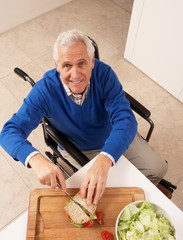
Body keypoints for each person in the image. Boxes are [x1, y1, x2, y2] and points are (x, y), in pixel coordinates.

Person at [0, 29, 168, 205]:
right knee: (104, 195)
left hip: (114, 133)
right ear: (57, 66)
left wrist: (105, 159)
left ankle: (144, 189)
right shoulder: (44, 91)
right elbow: (9, 132)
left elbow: (125, 119)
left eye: (82, 63)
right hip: (81, 146)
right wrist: (34, 158)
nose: (75, 74)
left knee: (158, 168)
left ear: (92, 61)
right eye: (66, 65)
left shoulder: (105, 74)